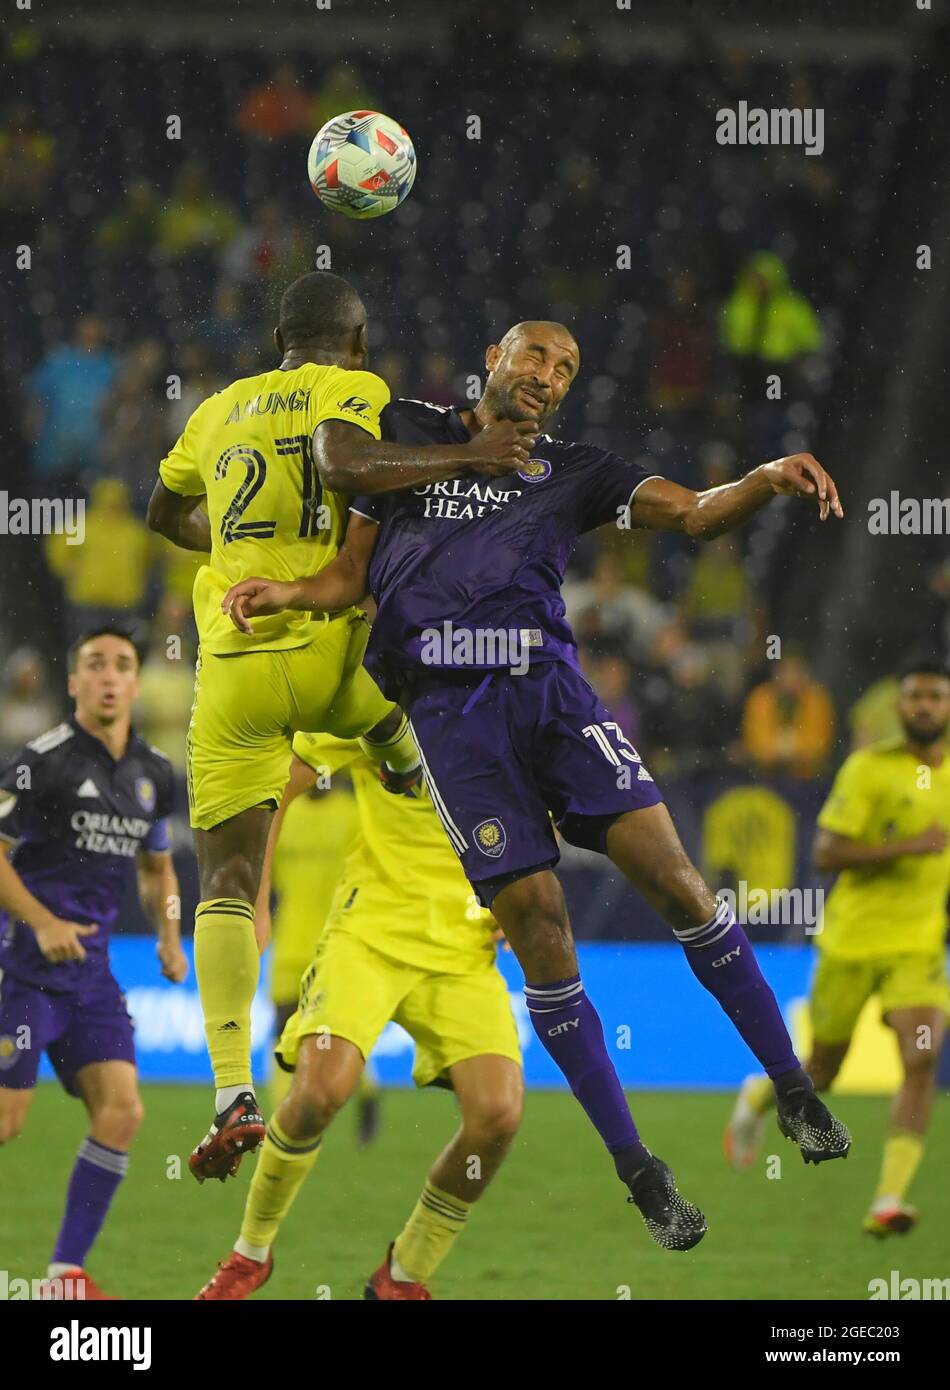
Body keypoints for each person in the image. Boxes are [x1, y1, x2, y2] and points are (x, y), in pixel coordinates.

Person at [222, 317, 851, 1252]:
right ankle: (642, 1175)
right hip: (450, 719)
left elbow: (693, 511)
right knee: (544, 935)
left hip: (549, 695)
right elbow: (348, 529)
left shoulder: (576, 471)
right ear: (493, 358)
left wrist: (760, 480)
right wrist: (292, 591)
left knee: (679, 882)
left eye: (566, 366)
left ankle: (794, 1091)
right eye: (535, 355)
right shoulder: (412, 430)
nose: (548, 375)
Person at [146, 271, 532, 1183]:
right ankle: (488, 883)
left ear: (279, 335)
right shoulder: (352, 390)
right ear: (355, 343)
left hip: (239, 665)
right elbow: (346, 465)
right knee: (410, 747)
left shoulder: (214, 411)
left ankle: (231, 1090)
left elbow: (164, 513)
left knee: (229, 877)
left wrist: (241, 540)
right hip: (340, 656)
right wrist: (472, 459)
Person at [196, 731, 522, 1301]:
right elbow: (287, 779)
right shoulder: (386, 692)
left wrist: (519, 891)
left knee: (497, 1115)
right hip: (365, 935)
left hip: (463, 951)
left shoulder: (524, 707)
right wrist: (255, 895)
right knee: (320, 1090)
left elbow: (546, 818)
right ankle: (251, 1253)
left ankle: (401, 1277)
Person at [725, 661, 950, 1237]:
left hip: (918, 946)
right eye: (915, 696)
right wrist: (906, 847)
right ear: (900, 707)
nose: (925, 706)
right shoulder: (869, 769)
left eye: (936, 697)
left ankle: (888, 1200)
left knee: (922, 1060)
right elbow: (826, 853)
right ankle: (756, 1097)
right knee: (822, 1070)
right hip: (852, 941)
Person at [0, 628, 188, 1300]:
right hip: (23, 970)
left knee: (123, 1111)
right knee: (7, 1122)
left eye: (122, 666)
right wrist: (41, 920)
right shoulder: (40, 761)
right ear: (74, 683)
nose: (108, 676)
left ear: (136, 684)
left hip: (94, 977)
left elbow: (158, 869)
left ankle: (62, 1274)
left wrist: (169, 935)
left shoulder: (153, 775)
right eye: (93, 665)